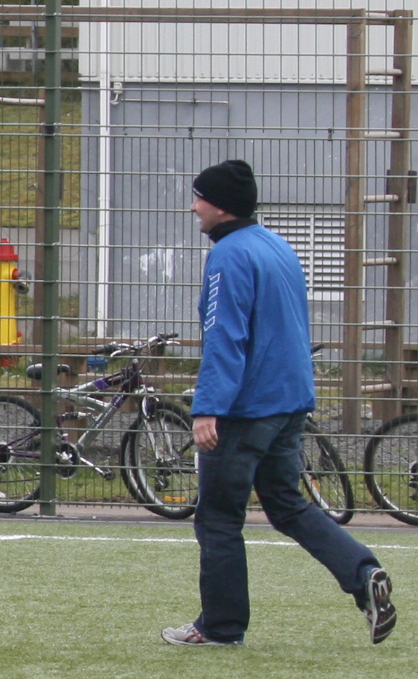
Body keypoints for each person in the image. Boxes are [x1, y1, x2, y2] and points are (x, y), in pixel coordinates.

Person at [163, 158, 392, 648]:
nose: (193, 206)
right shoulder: (276, 245)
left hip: (246, 408)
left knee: (219, 518)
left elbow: (224, 337)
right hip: (289, 401)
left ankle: (220, 627)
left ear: (220, 205)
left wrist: (208, 407)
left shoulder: (228, 256)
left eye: (199, 197)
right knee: (286, 504)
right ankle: (363, 574)